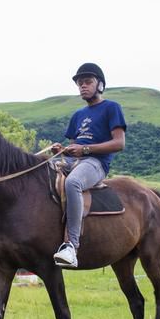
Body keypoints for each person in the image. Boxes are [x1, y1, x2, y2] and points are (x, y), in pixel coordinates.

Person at [50, 63, 127, 268]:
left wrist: (85, 150)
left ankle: (71, 247)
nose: (83, 86)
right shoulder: (78, 115)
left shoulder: (111, 108)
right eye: (80, 83)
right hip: (72, 160)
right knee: (38, 170)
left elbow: (119, 143)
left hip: (95, 163)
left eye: (88, 82)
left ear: (99, 85)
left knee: (73, 183)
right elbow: (75, 144)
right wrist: (62, 149)